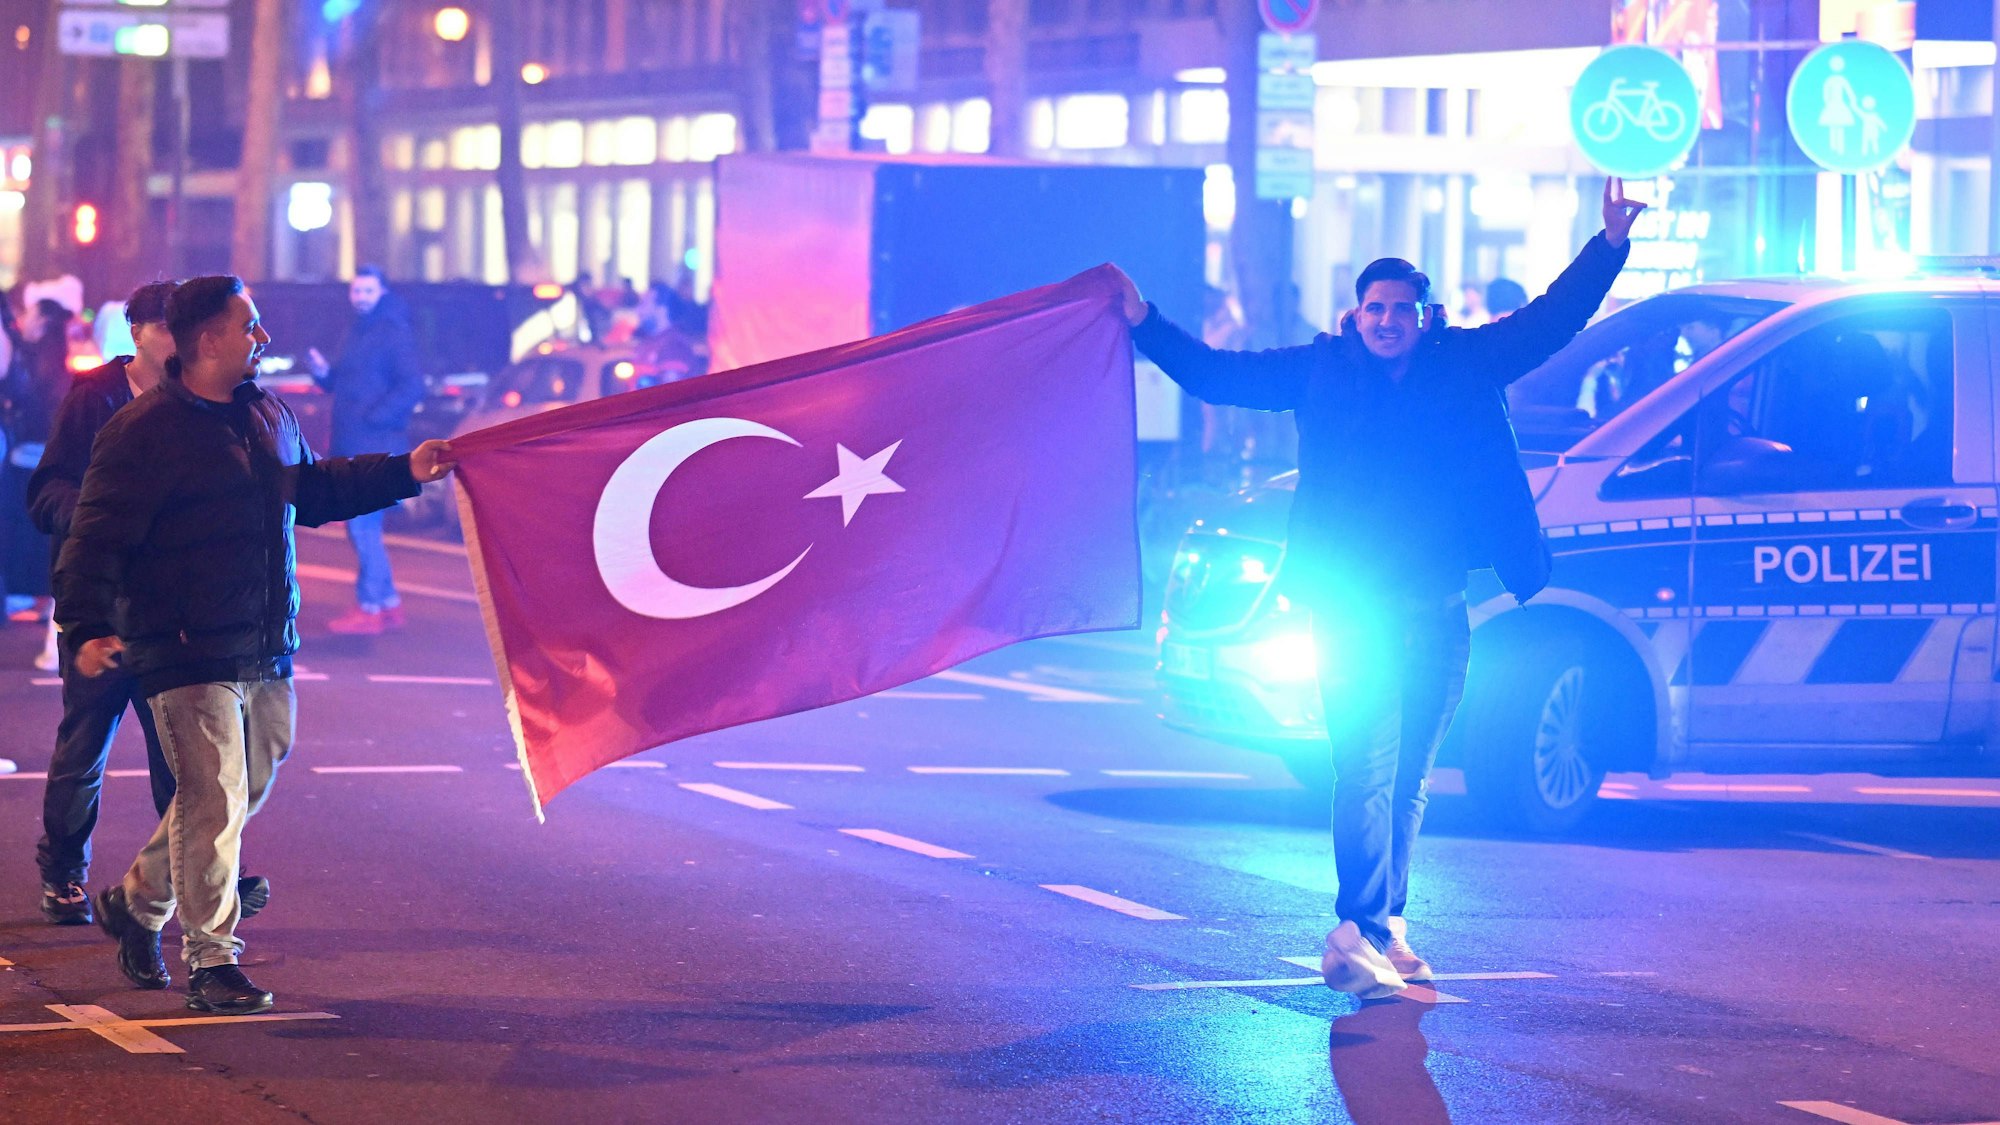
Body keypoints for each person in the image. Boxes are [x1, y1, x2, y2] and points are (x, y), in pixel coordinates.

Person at [1112, 177, 1643, 999]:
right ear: (1354, 317)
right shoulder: (1320, 371)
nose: (1387, 321)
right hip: (1351, 610)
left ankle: (1386, 926)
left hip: (1438, 610)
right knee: (1363, 764)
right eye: (1374, 309)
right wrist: (1145, 322)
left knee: (1412, 778)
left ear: (1422, 316)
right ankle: (1355, 927)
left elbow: (1552, 322)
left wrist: (1607, 246)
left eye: (1400, 308)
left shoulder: (1463, 362)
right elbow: (1216, 376)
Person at [57, 275, 457, 1015]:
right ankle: (213, 961)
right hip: (180, 644)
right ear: (208, 341)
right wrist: (85, 625)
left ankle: (137, 902)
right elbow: (96, 534)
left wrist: (406, 470)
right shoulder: (143, 431)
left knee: (244, 787)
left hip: (265, 640)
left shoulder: (266, 412)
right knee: (211, 793)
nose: (263, 338)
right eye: (251, 325)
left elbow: (313, 489)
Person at [305, 266, 428, 635]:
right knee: (364, 528)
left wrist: (375, 418)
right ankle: (388, 603)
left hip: (375, 448)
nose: (360, 297)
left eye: (368, 291)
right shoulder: (358, 331)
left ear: (382, 293)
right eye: (357, 290)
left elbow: (412, 386)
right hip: (354, 445)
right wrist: (323, 373)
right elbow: (344, 384)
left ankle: (370, 606)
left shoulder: (392, 333)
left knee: (362, 529)